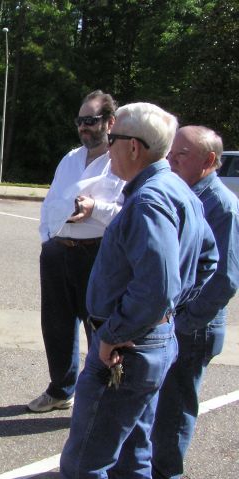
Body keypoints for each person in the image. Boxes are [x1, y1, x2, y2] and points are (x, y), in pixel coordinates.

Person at [59, 103, 219, 478]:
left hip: (125, 350)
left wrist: (115, 334)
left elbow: (158, 287)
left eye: (112, 139)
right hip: (146, 343)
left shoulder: (149, 201)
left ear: (134, 147)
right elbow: (207, 260)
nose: (107, 146)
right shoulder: (175, 188)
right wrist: (162, 319)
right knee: (133, 457)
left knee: (84, 463)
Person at [28, 90, 126, 413]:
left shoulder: (122, 161)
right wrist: (47, 239)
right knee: (55, 326)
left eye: (91, 120)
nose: (84, 127)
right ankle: (61, 389)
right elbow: (50, 203)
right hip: (58, 250)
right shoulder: (70, 159)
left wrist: (94, 208)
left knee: (99, 327)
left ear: (110, 122)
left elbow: (128, 213)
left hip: (97, 253)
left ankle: (103, 397)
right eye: (80, 121)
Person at [151, 126, 239, 479]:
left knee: (174, 412)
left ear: (209, 161)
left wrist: (180, 325)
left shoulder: (221, 206)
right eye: (170, 152)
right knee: (160, 409)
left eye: (181, 154)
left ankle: (166, 474)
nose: (170, 159)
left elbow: (225, 280)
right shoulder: (183, 192)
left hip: (193, 329)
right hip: (176, 323)